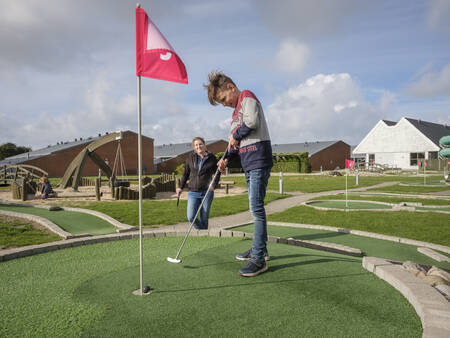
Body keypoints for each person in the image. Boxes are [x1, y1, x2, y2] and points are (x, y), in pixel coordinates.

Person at [205, 70, 273, 277]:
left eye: (224, 99)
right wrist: (226, 158)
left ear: (231, 88)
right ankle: (260, 248)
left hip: (259, 159)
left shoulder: (247, 97)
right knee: (255, 207)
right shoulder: (235, 113)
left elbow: (252, 122)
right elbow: (236, 144)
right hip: (248, 162)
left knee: (256, 208)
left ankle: (258, 259)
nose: (224, 104)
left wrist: (235, 135)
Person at [177, 137, 220, 230]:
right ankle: (203, 232)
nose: (198, 146)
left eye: (200, 144)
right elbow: (185, 174)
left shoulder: (212, 158)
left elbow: (217, 173)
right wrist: (180, 187)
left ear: (204, 145)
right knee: (191, 217)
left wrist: (213, 185)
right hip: (193, 192)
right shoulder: (190, 158)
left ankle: (203, 237)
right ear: (194, 147)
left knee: (204, 217)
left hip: (207, 192)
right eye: (196, 145)